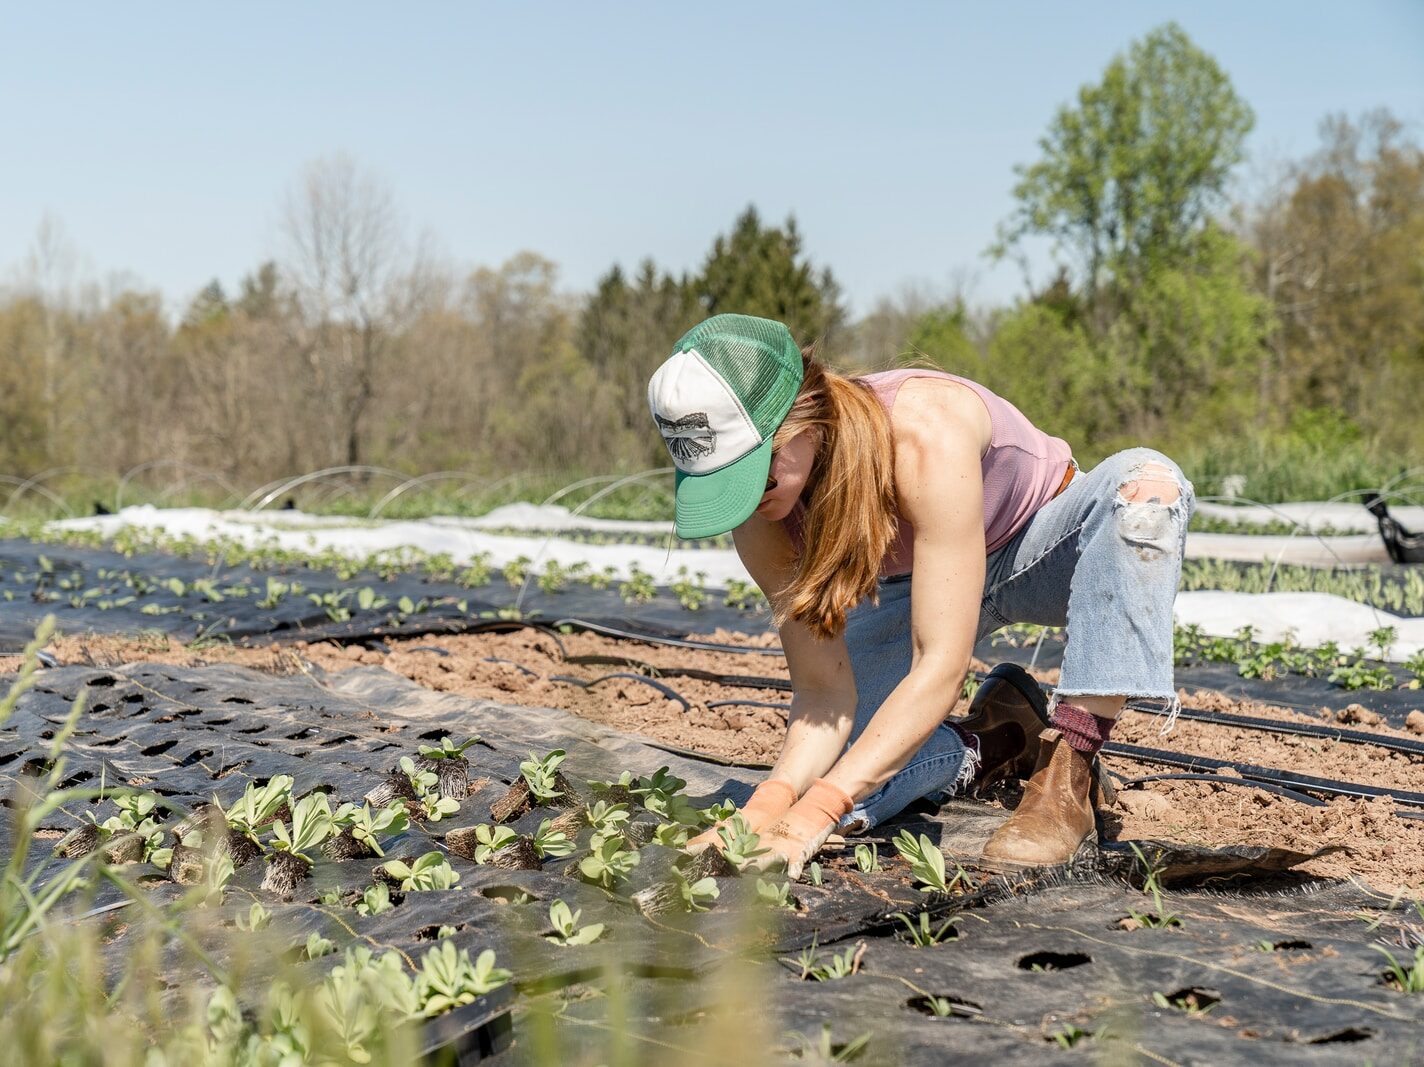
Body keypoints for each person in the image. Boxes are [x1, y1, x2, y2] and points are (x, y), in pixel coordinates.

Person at [647, 314, 1193, 877]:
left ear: (802, 418)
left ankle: (1069, 769)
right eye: (722, 486)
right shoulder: (762, 517)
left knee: (1147, 487)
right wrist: (769, 805)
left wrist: (818, 811)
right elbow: (823, 694)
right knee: (850, 765)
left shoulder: (921, 431)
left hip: (1042, 550)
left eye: (753, 475)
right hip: (919, 585)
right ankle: (994, 739)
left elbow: (940, 665)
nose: (748, 501)